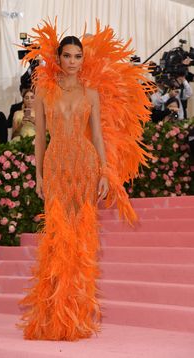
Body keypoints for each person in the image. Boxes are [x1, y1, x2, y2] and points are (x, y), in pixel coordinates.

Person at [20, 20, 152, 341]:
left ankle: (74, 318)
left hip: (84, 164)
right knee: (55, 236)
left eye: (78, 56)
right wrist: (37, 174)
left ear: (83, 59)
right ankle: (51, 315)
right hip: (55, 164)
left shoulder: (91, 94)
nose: (73, 61)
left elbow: (96, 136)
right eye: (68, 55)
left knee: (79, 238)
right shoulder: (43, 92)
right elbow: (39, 139)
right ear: (58, 58)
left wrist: (105, 172)